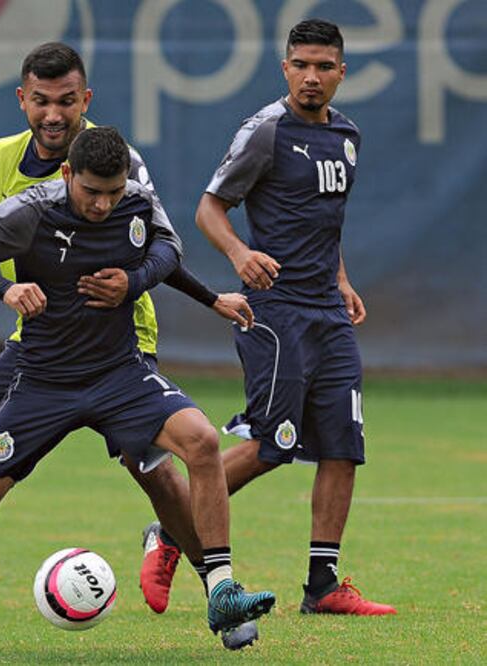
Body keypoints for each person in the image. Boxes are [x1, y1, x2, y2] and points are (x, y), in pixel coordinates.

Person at [0, 42, 259, 651]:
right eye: (41, 102)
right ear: (22, 99)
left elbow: (159, 241)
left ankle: (216, 589)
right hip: (38, 340)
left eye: (66, 102)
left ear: (85, 101)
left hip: (119, 333)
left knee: (149, 461)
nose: (53, 114)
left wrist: (151, 286)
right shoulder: (1, 161)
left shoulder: (114, 157)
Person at [143, 18, 396, 617]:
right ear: (285, 68)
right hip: (275, 310)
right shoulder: (266, 131)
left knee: (343, 445)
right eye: (301, 65)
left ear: (341, 72)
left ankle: (324, 585)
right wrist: (239, 252)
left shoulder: (348, 135)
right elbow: (209, 208)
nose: (312, 77)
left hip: (327, 312)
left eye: (324, 66)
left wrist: (341, 279)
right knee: (272, 444)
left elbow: (321, 220)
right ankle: (169, 533)